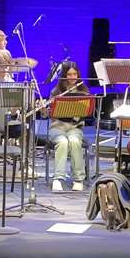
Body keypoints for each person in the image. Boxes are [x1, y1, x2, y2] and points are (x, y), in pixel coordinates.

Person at [48, 61, 91, 192]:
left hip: (75, 127)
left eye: (75, 74)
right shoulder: (56, 91)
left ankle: (78, 179)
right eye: (69, 74)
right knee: (62, 142)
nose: (73, 77)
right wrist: (46, 110)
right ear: (64, 76)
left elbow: (87, 113)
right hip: (57, 127)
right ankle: (58, 178)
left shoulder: (84, 92)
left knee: (74, 141)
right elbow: (50, 114)